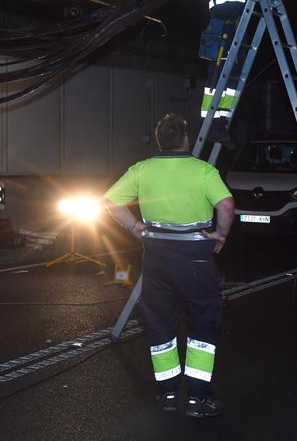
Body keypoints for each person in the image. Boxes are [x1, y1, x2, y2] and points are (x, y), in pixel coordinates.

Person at [104, 113, 235, 418]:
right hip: (195, 260)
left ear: (160, 140)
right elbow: (226, 205)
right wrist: (221, 235)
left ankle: (167, 394)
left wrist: (136, 227)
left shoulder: (142, 170)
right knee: (202, 324)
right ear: (186, 139)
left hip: (156, 258)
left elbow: (110, 201)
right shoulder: (203, 170)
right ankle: (198, 399)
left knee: (160, 325)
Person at [197, 0, 265, 146]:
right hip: (221, 26)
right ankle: (210, 124)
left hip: (237, 24)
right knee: (217, 78)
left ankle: (222, 122)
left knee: (233, 78)